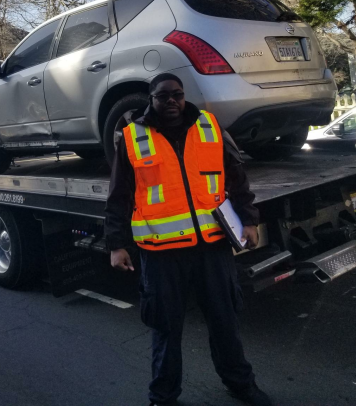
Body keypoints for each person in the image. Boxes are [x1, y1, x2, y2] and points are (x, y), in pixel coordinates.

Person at [104, 73, 272, 406]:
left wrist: (249, 221)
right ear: (150, 99)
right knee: (166, 330)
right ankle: (163, 397)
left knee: (225, 323)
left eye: (177, 95)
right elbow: (119, 195)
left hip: (212, 248)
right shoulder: (132, 138)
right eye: (163, 96)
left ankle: (242, 385)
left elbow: (237, 178)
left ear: (184, 97)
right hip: (162, 255)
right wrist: (116, 243)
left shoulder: (209, 127)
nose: (171, 101)